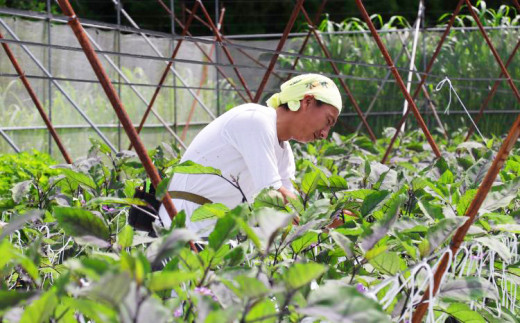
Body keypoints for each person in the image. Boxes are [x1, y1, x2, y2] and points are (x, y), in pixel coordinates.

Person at [157, 73, 342, 236]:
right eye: (328, 121)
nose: (324, 134)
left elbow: (291, 215)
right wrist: (332, 216)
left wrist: (340, 221)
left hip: (216, 233)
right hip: (183, 224)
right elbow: (273, 195)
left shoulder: (284, 153)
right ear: (307, 102)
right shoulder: (255, 120)